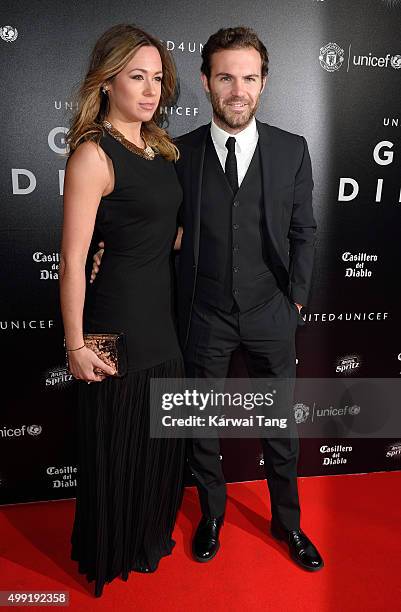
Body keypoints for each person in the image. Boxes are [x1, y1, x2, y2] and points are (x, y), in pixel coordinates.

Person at [93, 26, 323, 572]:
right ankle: (213, 515)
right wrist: (108, 249)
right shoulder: (179, 152)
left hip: (271, 312)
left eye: (248, 77)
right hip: (202, 314)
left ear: (263, 83)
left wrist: (296, 301)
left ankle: (287, 521)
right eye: (225, 77)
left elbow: (304, 232)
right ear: (206, 82)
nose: (237, 89)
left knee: (281, 427)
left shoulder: (292, 149)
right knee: (200, 427)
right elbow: (151, 225)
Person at [59, 24, 185, 597]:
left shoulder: (158, 148)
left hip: (163, 319)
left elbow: (161, 231)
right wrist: (76, 345)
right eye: (137, 76)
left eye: (158, 77)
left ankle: (145, 536)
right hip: (114, 325)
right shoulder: (92, 153)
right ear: (107, 82)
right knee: (118, 447)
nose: (151, 88)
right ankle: (112, 548)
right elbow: (73, 260)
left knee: (156, 444)